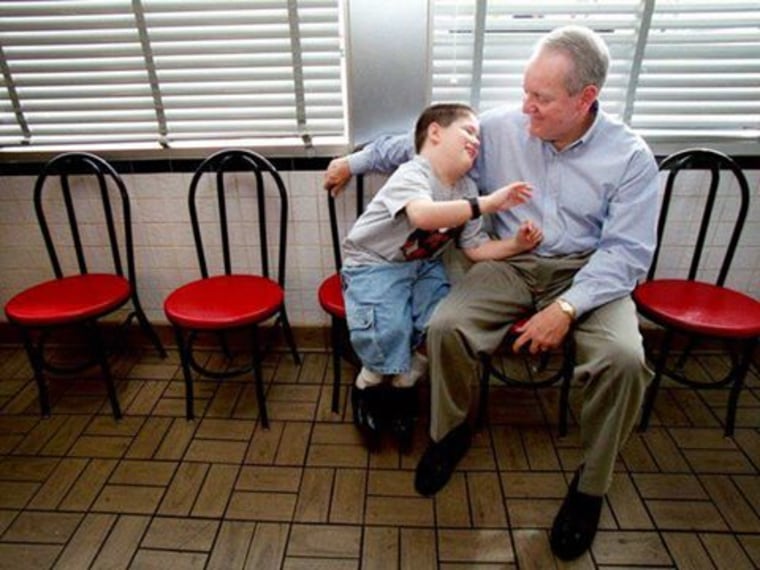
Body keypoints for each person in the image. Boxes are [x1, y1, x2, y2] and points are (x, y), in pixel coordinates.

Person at [323, 25, 659, 561]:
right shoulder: (505, 127)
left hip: (590, 273)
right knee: (444, 326)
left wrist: (567, 308)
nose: (526, 108)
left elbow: (627, 254)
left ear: (585, 98)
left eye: (541, 98)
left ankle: (591, 487)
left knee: (623, 357)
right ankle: (449, 433)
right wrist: (353, 161)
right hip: (512, 262)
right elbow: (424, 151)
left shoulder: (632, 158)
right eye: (526, 92)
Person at [341, 102, 543, 451]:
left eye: (478, 137)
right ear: (435, 133)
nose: (475, 141)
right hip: (373, 263)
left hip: (421, 266)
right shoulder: (413, 173)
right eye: (468, 131)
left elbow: (476, 248)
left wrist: (516, 244)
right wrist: (488, 204)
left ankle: (405, 388)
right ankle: (367, 388)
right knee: (387, 330)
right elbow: (422, 216)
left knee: (438, 326)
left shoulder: (466, 189)